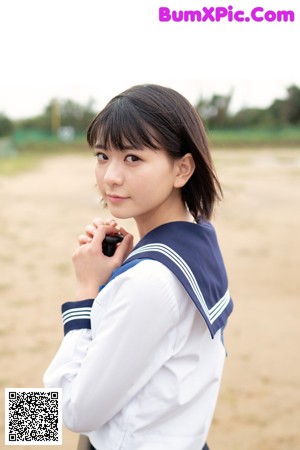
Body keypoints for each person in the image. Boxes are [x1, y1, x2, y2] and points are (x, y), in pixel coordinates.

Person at [43, 84, 233, 450]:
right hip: (177, 438)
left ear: (182, 169)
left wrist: (87, 292)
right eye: (102, 155)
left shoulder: (150, 280)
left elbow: (75, 412)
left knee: (21, 415)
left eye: (132, 158)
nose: (110, 176)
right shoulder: (195, 238)